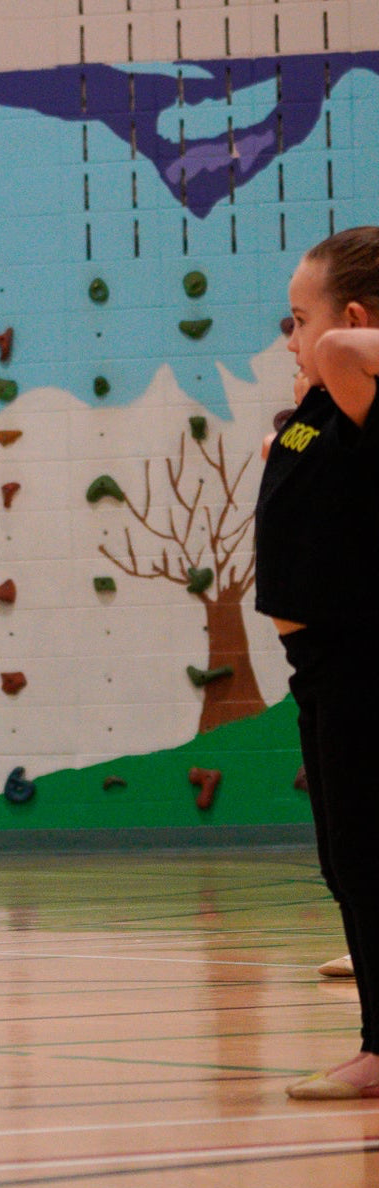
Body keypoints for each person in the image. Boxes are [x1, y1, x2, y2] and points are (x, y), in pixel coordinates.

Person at [254, 226, 379, 1099]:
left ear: (357, 319)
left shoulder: (360, 389)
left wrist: (330, 348)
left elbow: (338, 351)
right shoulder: (324, 406)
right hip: (322, 672)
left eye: (298, 320)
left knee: (369, 855)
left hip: (365, 660)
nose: (293, 339)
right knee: (347, 858)